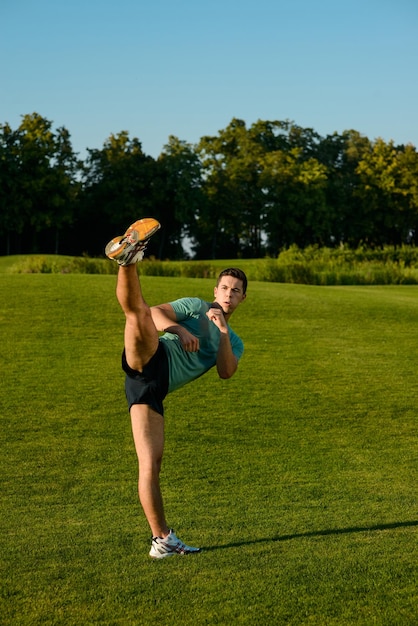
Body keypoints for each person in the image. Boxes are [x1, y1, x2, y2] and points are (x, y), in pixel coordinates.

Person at [105, 218, 247, 559]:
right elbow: (155, 313)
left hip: (149, 388)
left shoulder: (235, 342)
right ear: (215, 291)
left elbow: (226, 372)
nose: (228, 294)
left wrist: (223, 333)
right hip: (154, 355)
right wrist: (179, 330)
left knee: (150, 466)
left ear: (242, 299)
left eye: (236, 291)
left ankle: (163, 540)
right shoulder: (196, 306)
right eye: (224, 288)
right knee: (137, 315)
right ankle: (128, 262)